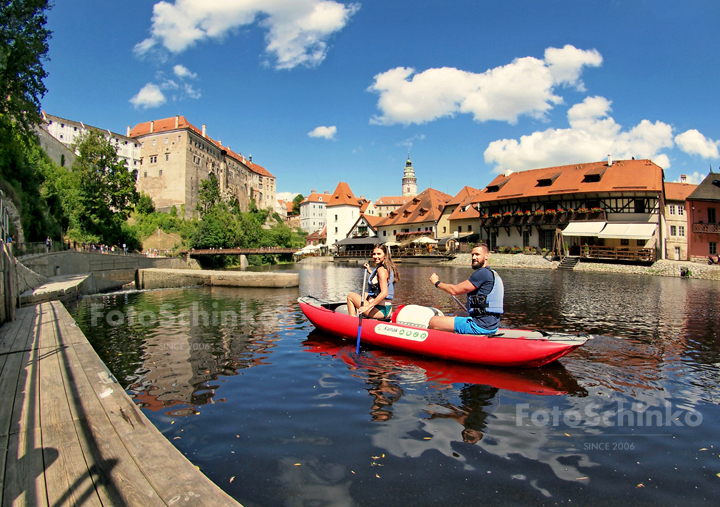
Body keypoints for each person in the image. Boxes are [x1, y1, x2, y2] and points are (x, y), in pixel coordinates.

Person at [428, 243, 504, 334]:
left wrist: (437, 283)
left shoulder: (482, 273)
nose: (473, 257)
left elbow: (454, 290)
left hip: (480, 325)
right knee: (457, 313)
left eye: (477, 254)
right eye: (472, 254)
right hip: (491, 324)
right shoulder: (492, 273)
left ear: (486, 256)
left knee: (433, 321)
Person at [347, 244, 400, 320]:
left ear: (385, 255)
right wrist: (369, 270)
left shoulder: (381, 270)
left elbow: (384, 293)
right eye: (374, 254)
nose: (375, 256)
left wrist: (367, 307)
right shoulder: (387, 267)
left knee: (350, 296)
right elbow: (380, 279)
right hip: (386, 308)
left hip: (380, 310)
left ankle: (352, 322)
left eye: (379, 254)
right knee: (365, 294)